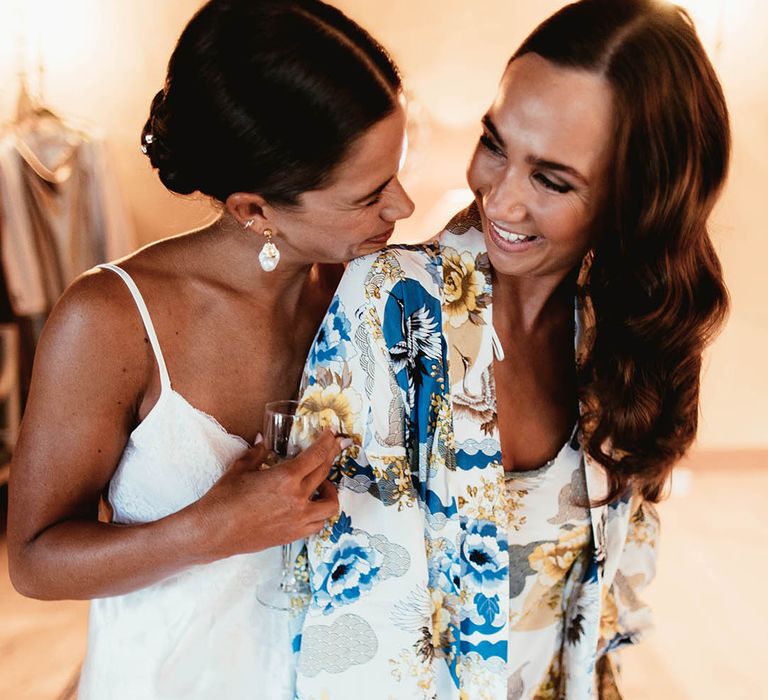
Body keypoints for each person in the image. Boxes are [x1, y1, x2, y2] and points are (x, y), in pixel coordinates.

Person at [293, 0, 730, 697]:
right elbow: (329, 592)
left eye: (551, 180)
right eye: (495, 144)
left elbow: (601, 597)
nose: (500, 201)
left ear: (635, 196)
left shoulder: (632, 329)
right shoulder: (390, 303)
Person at [7, 1, 413, 698]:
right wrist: (209, 528)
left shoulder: (372, 296)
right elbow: (34, 562)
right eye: (368, 194)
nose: (402, 206)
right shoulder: (111, 320)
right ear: (254, 209)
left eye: (399, 172)